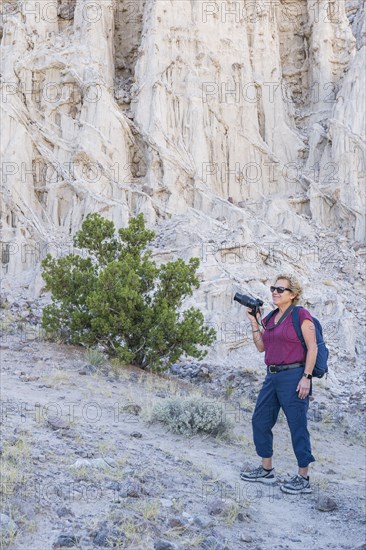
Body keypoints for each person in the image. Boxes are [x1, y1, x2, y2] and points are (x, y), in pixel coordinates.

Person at [240, 274, 317, 494]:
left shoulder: (301, 315)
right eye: (274, 288)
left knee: (297, 424)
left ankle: (303, 477)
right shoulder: (271, 317)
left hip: (294, 376)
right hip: (271, 376)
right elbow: (261, 347)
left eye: (281, 289)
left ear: (293, 295)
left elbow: (313, 348)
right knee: (260, 419)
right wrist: (255, 322)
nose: (275, 292)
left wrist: (307, 377)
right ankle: (266, 470)